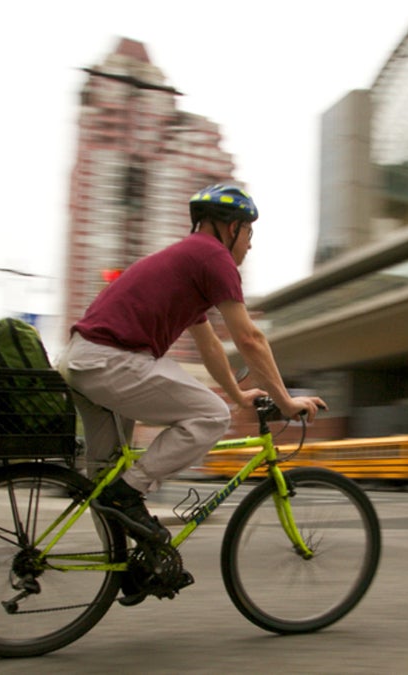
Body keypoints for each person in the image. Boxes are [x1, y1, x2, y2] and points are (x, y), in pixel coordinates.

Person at [58, 184, 325, 548]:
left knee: (106, 476)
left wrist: (239, 395)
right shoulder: (214, 258)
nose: (250, 243)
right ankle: (129, 493)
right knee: (212, 416)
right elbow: (250, 339)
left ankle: (121, 567)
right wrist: (286, 401)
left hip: (81, 361)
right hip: (111, 360)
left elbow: (211, 345)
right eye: (249, 232)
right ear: (231, 228)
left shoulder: (188, 260)